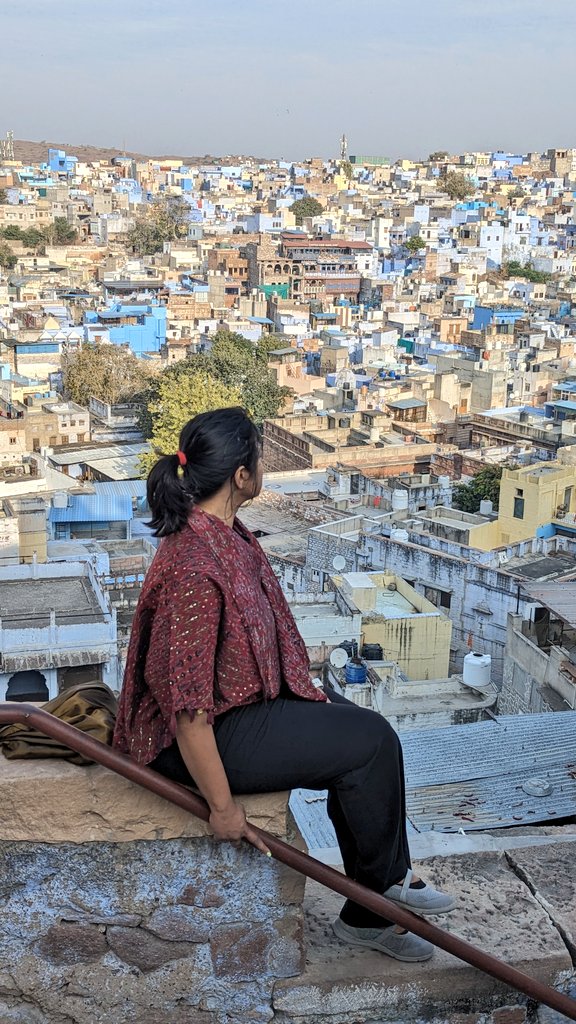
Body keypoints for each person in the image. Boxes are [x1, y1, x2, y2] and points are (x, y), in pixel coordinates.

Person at [114, 407, 455, 963]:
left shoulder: (223, 536)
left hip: (235, 714)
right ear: (242, 476)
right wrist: (221, 808)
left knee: (360, 727)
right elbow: (188, 711)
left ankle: (378, 895)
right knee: (368, 742)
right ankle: (377, 902)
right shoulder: (193, 567)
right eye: (259, 460)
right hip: (198, 740)